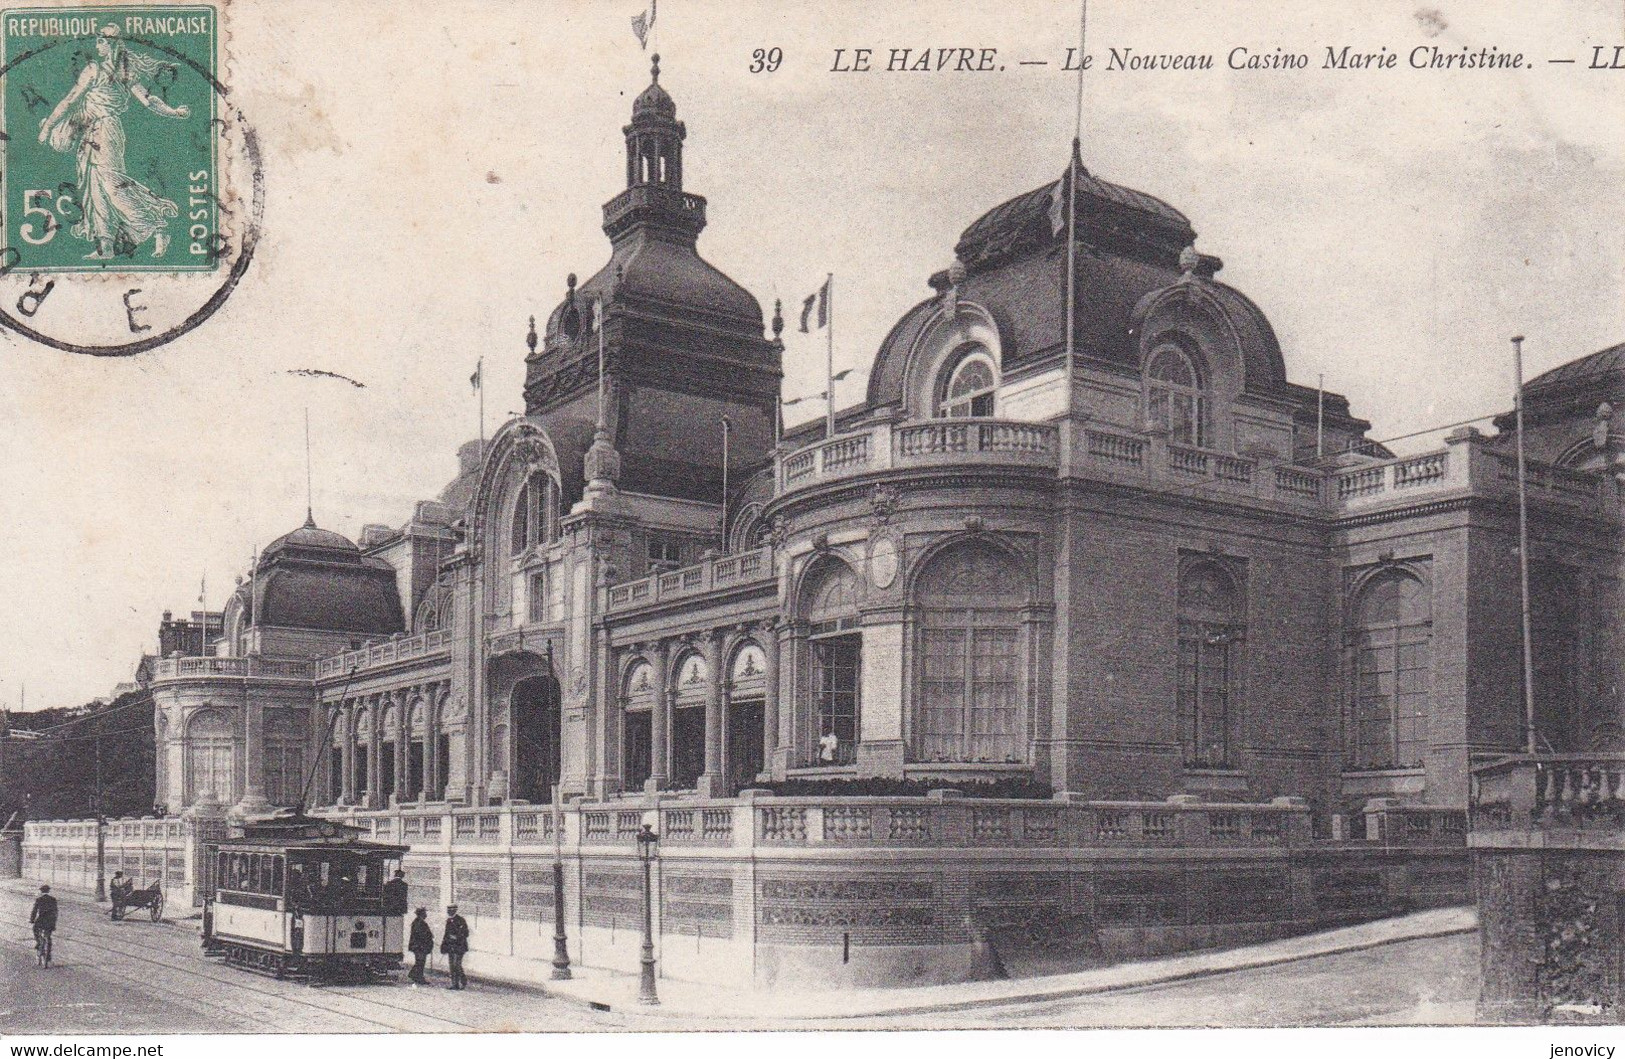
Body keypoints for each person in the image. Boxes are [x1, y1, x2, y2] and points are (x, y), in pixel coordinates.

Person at [35, 24, 190, 259]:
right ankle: (105, 247)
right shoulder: (101, 70)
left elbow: (149, 101)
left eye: (100, 42)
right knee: (94, 189)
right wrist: (49, 128)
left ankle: (156, 225)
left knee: (111, 184)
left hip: (107, 131)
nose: (97, 46)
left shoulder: (113, 71)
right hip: (90, 132)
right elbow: (70, 102)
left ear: (110, 44)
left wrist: (174, 112)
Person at [440, 904, 469, 990]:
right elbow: (446, 934)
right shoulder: (448, 921)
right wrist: (443, 945)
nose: (448, 912)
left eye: (450, 910)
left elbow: (466, 933)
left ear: (455, 910)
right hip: (451, 947)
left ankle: (463, 980)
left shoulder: (461, 920)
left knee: (457, 965)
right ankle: (454, 984)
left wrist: (456, 937)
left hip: (459, 946)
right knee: (452, 966)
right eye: (448, 910)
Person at [30, 885, 57, 967]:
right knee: (48, 937)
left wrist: (32, 919)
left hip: (41, 921)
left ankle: (38, 943)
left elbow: (34, 911)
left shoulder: (39, 899)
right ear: (48, 891)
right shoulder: (53, 899)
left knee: (34, 929)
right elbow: (55, 912)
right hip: (50, 922)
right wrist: (54, 922)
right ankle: (48, 957)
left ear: (41, 891)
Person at [406, 908, 434, 985]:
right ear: (422, 914)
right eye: (425, 913)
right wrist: (429, 936)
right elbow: (421, 935)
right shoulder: (419, 923)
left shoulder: (418, 922)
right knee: (420, 962)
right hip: (419, 946)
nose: (426, 914)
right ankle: (418, 977)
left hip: (419, 946)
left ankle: (416, 976)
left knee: (420, 961)